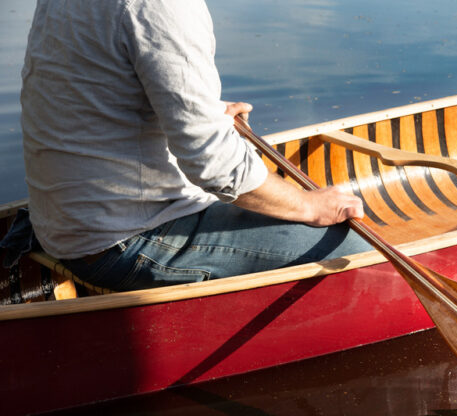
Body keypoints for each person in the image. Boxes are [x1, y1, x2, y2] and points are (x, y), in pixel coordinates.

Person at [19, 0, 370, 292]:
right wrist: (309, 205)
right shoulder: (161, 5)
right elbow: (214, 165)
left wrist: (203, 113)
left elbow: (95, 95)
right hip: (124, 239)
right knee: (357, 252)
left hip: (60, 227)